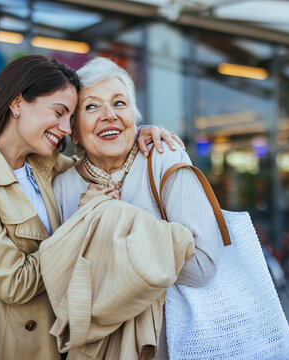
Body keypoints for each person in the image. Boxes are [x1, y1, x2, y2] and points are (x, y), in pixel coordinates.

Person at [0, 54, 182, 360]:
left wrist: (137, 133)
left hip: (55, 345)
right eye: (59, 112)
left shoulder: (47, 166)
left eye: (71, 116)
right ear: (17, 104)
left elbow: (101, 156)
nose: (66, 127)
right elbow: (15, 283)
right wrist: (82, 222)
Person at [53, 57, 222, 359]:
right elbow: (60, 280)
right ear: (74, 132)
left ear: (134, 116)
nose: (109, 115)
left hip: (169, 346)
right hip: (95, 347)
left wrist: (113, 223)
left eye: (119, 103)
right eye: (91, 107)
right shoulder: (61, 187)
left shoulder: (163, 157)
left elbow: (202, 266)